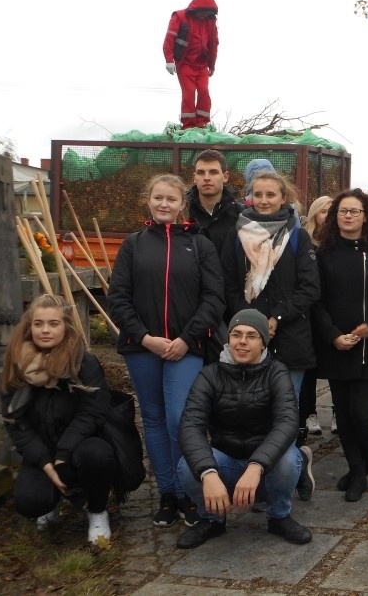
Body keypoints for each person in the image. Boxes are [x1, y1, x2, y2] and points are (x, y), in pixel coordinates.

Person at [109, 174, 225, 527]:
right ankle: (167, 493)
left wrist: (186, 339)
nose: (164, 204)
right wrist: (145, 337)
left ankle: (189, 489)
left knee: (181, 420)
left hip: (185, 347)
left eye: (170, 199)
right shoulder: (134, 244)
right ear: (149, 200)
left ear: (180, 204)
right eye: (158, 197)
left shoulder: (200, 244)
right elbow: (118, 298)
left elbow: (214, 297)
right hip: (142, 347)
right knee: (155, 420)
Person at [176, 309, 313, 548]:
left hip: (266, 464)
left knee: (288, 460)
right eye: (236, 334)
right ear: (228, 339)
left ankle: (279, 516)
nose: (242, 341)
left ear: (263, 343)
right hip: (227, 459)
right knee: (188, 465)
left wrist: (257, 465)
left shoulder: (277, 372)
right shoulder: (210, 375)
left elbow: (287, 422)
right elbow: (190, 425)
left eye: (251, 336)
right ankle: (212, 519)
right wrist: (208, 473)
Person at [1, 295, 117, 545]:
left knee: (97, 456)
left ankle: (97, 510)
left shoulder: (82, 361)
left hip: (81, 445)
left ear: (66, 326)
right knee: (29, 501)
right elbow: (16, 422)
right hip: (42, 448)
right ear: (29, 326)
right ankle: (50, 501)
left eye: (53, 323)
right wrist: (44, 461)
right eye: (38, 323)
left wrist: (63, 453)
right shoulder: (17, 365)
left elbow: (94, 411)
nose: (45, 330)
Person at [313, 190, 368, 501]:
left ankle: (362, 465)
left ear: (366, 215)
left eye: (354, 211)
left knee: (362, 413)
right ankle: (357, 471)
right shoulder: (325, 251)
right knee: (343, 414)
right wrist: (332, 335)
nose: (348, 216)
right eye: (342, 211)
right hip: (336, 343)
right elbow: (317, 301)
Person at [222, 170, 319, 401]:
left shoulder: (297, 236)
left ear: (283, 198)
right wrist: (252, 322)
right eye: (258, 195)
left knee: (286, 406)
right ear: (250, 198)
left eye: (270, 195)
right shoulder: (237, 235)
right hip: (248, 336)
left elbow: (310, 287)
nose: (264, 201)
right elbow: (228, 286)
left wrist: (276, 319)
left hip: (291, 336)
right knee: (252, 406)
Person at [300, 196, 333, 437]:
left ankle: (334, 410)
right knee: (309, 365)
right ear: (314, 215)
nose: (328, 216)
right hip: (309, 311)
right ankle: (309, 412)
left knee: (334, 363)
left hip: (333, 310)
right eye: (324, 212)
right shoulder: (305, 241)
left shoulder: (341, 241)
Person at [162, 0, 218, 129]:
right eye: (202, 12)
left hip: (202, 65)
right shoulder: (180, 17)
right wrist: (169, 59)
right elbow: (170, 38)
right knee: (189, 94)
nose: (203, 15)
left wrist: (212, 65)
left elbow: (213, 44)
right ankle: (188, 125)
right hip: (185, 63)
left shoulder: (210, 23)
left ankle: (202, 123)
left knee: (204, 92)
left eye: (206, 12)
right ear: (195, 9)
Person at [186, 149, 241, 264]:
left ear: (225, 176)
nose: (206, 178)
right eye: (201, 172)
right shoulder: (181, 213)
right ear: (194, 177)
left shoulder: (241, 215)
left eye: (213, 172)